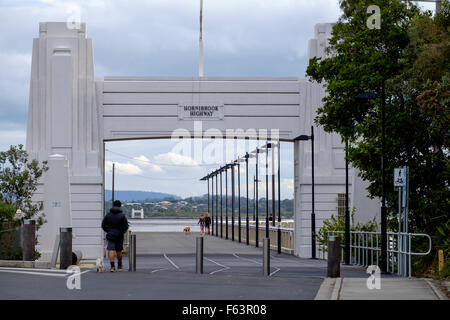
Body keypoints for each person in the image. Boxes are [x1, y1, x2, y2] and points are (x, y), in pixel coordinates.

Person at [101, 200, 129, 272]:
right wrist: (122, 232)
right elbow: (126, 226)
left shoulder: (108, 215)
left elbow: (103, 225)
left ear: (113, 205)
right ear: (120, 206)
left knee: (111, 250)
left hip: (110, 235)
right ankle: (119, 265)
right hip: (119, 235)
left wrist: (108, 231)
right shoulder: (122, 215)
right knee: (119, 250)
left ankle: (112, 267)